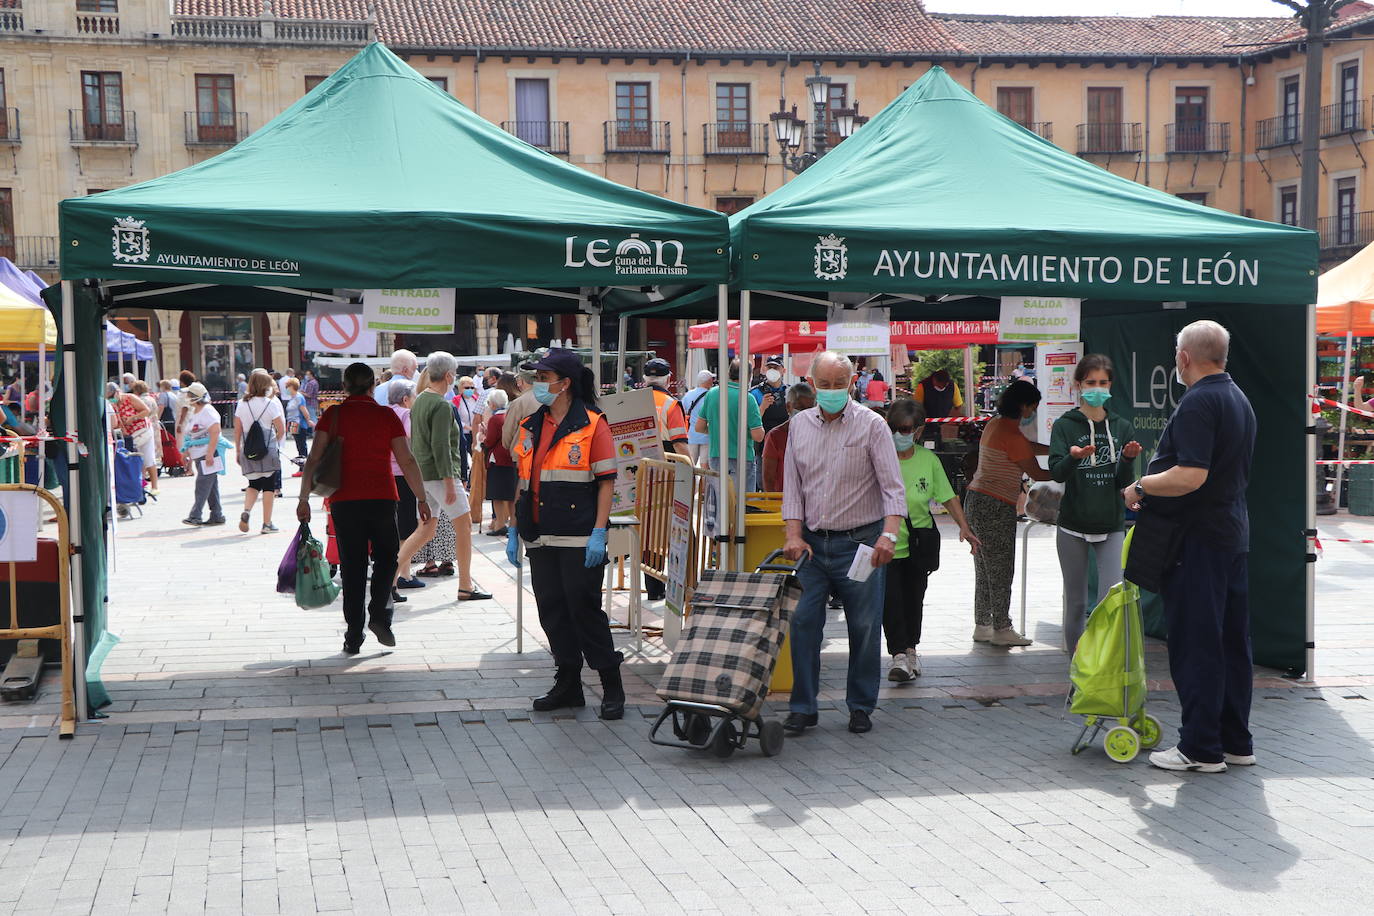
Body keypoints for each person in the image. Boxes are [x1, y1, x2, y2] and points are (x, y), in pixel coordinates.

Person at [1124, 321, 1257, 774]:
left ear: (1183, 358)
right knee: (1231, 642)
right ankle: (1235, 741)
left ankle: (1200, 747)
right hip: (1229, 534)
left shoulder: (1200, 401)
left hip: (1197, 540)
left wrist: (1140, 485)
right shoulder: (1237, 397)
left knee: (1197, 644)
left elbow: (1190, 475)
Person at [781, 351, 905, 736]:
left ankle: (861, 705)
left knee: (865, 626)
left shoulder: (872, 425)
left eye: (839, 384)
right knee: (802, 624)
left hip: (862, 543)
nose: (832, 391)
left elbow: (892, 488)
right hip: (812, 548)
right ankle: (803, 707)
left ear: (852, 383)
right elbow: (793, 488)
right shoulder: (799, 425)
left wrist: (889, 535)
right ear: (811, 383)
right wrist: (792, 534)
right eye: (824, 384)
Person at [506, 348, 623, 719]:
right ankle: (569, 683)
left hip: (578, 534)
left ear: (565, 383)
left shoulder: (592, 423)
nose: (537, 384)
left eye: (543, 378)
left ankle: (611, 684)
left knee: (583, 609)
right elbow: (523, 480)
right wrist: (512, 528)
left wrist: (599, 532)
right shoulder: (531, 425)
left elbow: (607, 482)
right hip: (539, 533)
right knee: (552, 610)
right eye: (536, 378)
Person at [298, 362, 432, 654]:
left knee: (353, 567)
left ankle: (353, 634)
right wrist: (421, 498)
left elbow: (313, 458)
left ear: (345, 386)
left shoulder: (333, 415)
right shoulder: (385, 416)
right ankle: (380, 612)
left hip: (344, 502)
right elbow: (407, 460)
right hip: (382, 497)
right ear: (373, 386)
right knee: (387, 559)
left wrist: (303, 498)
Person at [1048, 354, 1143, 653]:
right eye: (1091, 382)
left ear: (1111, 385)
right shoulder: (1065, 425)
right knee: (1075, 603)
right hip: (1073, 524)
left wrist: (1127, 458)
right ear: (1078, 385)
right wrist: (1073, 457)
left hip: (1111, 523)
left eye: (1103, 383)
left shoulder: (1121, 426)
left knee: (1108, 601)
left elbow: (1122, 481)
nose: (1097, 388)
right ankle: (1077, 671)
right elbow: (1056, 471)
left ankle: (1099, 668)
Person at [883, 399, 982, 681]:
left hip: (918, 542)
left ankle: (910, 651)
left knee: (913, 600)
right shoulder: (879, 455)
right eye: (894, 428)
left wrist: (964, 527)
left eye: (904, 429)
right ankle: (898, 655)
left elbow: (948, 496)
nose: (899, 435)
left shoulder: (929, 461)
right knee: (891, 602)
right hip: (886, 543)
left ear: (917, 430)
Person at [395, 352, 491, 602]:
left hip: (424, 474)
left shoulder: (421, 401)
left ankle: (389, 578)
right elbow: (441, 446)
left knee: (426, 530)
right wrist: (451, 481)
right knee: (463, 526)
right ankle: (466, 585)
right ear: (449, 376)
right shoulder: (440, 404)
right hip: (440, 475)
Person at [964, 379, 1050, 647]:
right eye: (1034, 406)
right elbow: (1037, 472)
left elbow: (1026, 447)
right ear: (1024, 406)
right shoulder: (1012, 435)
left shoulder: (996, 424)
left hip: (976, 500)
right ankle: (1002, 627)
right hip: (995, 505)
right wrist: (1070, 465)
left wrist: (1055, 449)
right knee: (1001, 568)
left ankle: (983, 624)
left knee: (985, 566)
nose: (1034, 411)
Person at [695, 360, 764, 493]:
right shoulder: (747, 398)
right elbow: (758, 436)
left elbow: (699, 427)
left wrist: (718, 430)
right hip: (743, 459)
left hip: (716, 457)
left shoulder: (712, 393)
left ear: (728, 373)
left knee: (721, 503)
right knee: (741, 506)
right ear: (748, 376)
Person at [234, 369, 286, 534]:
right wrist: (273, 443)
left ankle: (247, 511)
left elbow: (237, 429)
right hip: (268, 450)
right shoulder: (270, 404)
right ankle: (267, 523)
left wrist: (238, 450)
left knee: (253, 484)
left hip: (248, 450)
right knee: (269, 486)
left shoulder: (242, 404)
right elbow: (281, 429)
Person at [386, 379, 427, 592]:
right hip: (403, 473)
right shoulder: (405, 414)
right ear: (405, 399)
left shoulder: (384, 412)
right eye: (414, 397)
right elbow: (414, 437)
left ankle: (397, 574)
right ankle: (403, 574)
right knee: (406, 526)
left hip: (386, 473)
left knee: (392, 525)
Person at [179, 383, 226, 527]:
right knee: (210, 486)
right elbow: (191, 435)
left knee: (202, 485)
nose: (186, 397)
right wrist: (186, 451)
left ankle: (195, 515)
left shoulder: (208, 411)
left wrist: (210, 454)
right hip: (199, 454)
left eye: (189, 395)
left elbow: (215, 432)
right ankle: (217, 515)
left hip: (207, 454)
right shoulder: (196, 412)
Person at [761, 382, 815, 491]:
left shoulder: (818, 433)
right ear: (788, 407)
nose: (804, 413)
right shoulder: (775, 436)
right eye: (800, 408)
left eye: (809, 409)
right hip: (782, 502)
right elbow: (768, 478)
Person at [109, 380, 159, 495]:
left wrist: (133, 418)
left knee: (148, 458)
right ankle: (140, 485)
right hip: (130, 435)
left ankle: (155, 486)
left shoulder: (129, 398)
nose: (112, 399)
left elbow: (146, 410)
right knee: (137, 459)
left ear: (117, 392)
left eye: (112, 396)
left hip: (143, 430)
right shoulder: (113, 404)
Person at [482, 388, 515, 537]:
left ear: (494, 405)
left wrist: (483, 437)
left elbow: (490, 441)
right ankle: (513, 526)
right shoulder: (511, 415)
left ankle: (500, 524)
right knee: (511, 495)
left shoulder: (495, 419)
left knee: (497, 495)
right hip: (511, 458)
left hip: (498, 459)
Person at [642, 358, 690, 457]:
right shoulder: (671, 404)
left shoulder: (632, 400)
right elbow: (679, 444)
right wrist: (691, 468)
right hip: (665, 466)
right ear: (668, 379)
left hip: (637, 465)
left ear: (645, 379)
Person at [680, 370, 715, 466]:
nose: (713, 381)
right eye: (711, 379)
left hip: (692, 434)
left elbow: (682, 411)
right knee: (705, 465)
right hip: (707, 434)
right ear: (707, 381)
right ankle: (704, 481)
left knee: (690, 464)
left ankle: (691, 481)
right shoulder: (712, 395)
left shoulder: (689, 394)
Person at [751, 359, 790, 436]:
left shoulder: (790, 391)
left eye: (776, 368)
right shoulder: (755, 392)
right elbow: (751, 421)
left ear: (784, 371)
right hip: (764, 440)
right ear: (765, 370)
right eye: (769, 368)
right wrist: (762, 407)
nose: (772, 370)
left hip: (786, 439)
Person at [282, 377, 314, 464]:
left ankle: (303, 466)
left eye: (287, 387)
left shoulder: (298, 397)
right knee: (298, 445)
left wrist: (308, 420)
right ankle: (302, 465)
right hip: (293, 424)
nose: (286, 389)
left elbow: (304, 410)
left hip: (298, 424)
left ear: (292, 387)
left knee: (301, 446)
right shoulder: (293, 397)